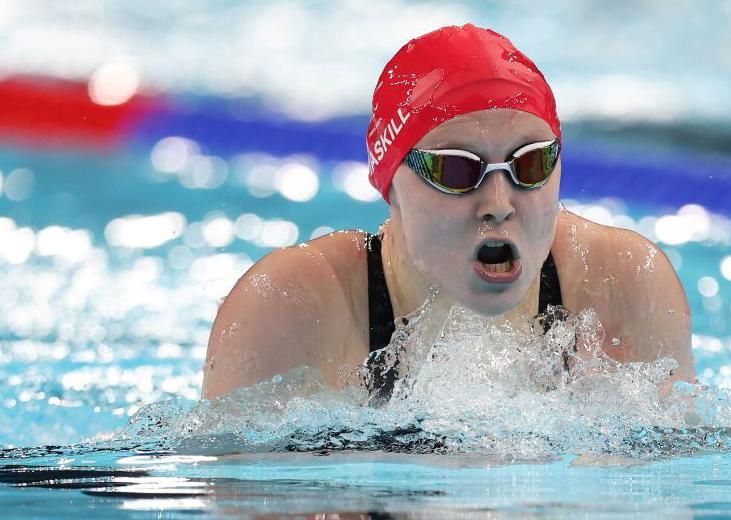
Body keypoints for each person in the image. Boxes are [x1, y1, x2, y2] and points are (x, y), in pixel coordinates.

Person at [201, 24, 694, 401]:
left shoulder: (624, 285)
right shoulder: (292, 309)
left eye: (531, 162)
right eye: (457, 170)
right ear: (390, 184)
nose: (499, 205)